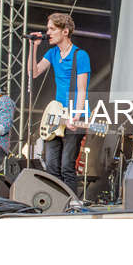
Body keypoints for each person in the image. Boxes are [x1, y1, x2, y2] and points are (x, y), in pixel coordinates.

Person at [30, 13, 91, 193]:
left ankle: (72, 203)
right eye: (48, 29)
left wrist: (76, 116)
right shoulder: (53, 53)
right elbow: (34, 72)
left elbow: (82, 90)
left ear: (65, 31)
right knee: (51, 166)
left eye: (52, 29)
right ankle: (56, 202)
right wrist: (33, 48)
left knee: (66, 165)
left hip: (75, 114)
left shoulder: (80, 55)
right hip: (56, 115)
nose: (48, 33)